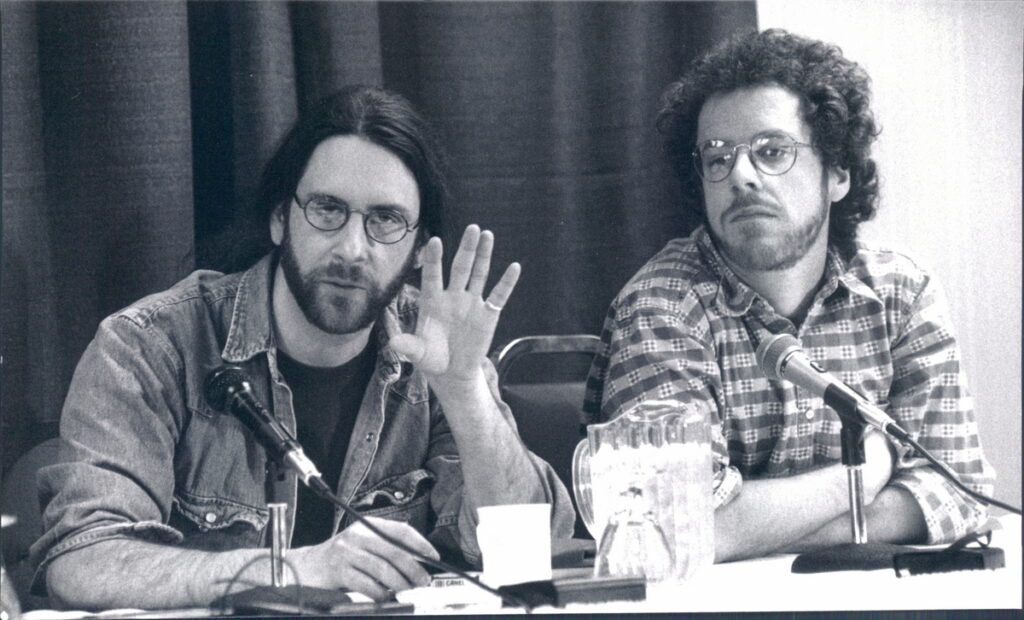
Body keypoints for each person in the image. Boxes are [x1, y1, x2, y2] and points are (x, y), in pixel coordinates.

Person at [31, 86, 574, 610]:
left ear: (415, 248)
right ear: (278, 218)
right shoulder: (150, 346)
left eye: (385, 220)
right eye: (327, 209)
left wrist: (465, 392)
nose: (352, 248)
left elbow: (533, 553)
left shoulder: (434, 346)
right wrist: (288, 572)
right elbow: (82, 562)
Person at [583, 29, 995, 562]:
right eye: (717, 159)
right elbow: (672, 527)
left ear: (838, 173)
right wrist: (869, 470)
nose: (742, 176)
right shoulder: (662, 306)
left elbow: (959, 492)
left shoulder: (901, 294)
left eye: (772, 151)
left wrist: (781, 532)